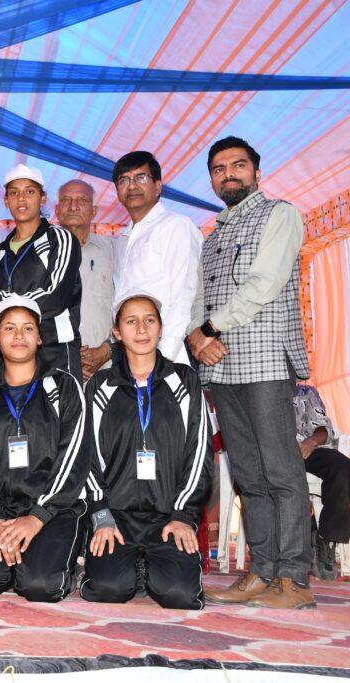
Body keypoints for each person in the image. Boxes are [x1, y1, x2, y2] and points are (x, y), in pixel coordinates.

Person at [189, 136, 315, 609]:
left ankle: (294, 580)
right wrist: (196, 339)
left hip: (264, 360)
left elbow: (265, 283)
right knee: (248, 474)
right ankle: (263, 571)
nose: (229, 174)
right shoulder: (213, 235)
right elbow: (199, 298)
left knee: (281, 469)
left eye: (237, 165)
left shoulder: (280, 214)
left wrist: (209, 328)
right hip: (221, 366)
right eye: (219, 169)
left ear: (256, 172)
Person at [80, 291, 212, 609]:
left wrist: (183, 515)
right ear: (116, 332)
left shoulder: (184, 381)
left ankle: (150, 564)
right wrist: (101, 514)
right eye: (131, 322)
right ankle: (129, 565)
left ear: (161, 328)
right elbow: (87, 456)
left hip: (169, 515)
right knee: (108, 589)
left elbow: (199, 453)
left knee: (180, 595)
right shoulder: (100, 385)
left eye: (149, 320)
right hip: (116, 515)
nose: (141, 329)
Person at [0, 295, 89, 602]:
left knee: (40, 586)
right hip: (0, 509)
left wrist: (38, 516)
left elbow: (73, 457)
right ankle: (14, 564)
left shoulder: (65, 386)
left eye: (28, 328)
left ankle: (60, 563)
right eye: (9, 328)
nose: (19, 335)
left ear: (40, 337)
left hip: (53, 510)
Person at [0, 164, 81, 380]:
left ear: (43, 198)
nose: (21, 199)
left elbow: (55, 297)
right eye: (14, 193)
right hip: (8, 360)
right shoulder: (0, 253)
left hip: (53, 353)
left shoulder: (59, 239)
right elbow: (2, 313)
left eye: (30, 191)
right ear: (6, 200)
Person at [112, 151, 201, 365]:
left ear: (158, 186)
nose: (132, 186)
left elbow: (185, 295)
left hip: (171, 355)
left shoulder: (175, 225)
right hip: (132, 358)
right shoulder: (122, 240)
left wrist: (163, 358)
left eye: (141, 177)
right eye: (124, 180)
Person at [55, 180, 116, 381]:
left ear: (94, 211)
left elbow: (127, 307)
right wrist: (64, 360)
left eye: (82, 200)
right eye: (66, 200)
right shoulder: (41, 254)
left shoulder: (113, 251)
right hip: (55, 371)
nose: (73, 206)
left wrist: (107, 350)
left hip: (106, 368)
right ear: (56, 209)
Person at [292, 384, 349, 582]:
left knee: (343, 468)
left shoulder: (305, 392)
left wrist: (312, 441)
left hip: (306, 449)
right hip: (275, 454)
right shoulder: (259, 388)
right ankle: (299, 538)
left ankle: (326, 537)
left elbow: (323, 427)